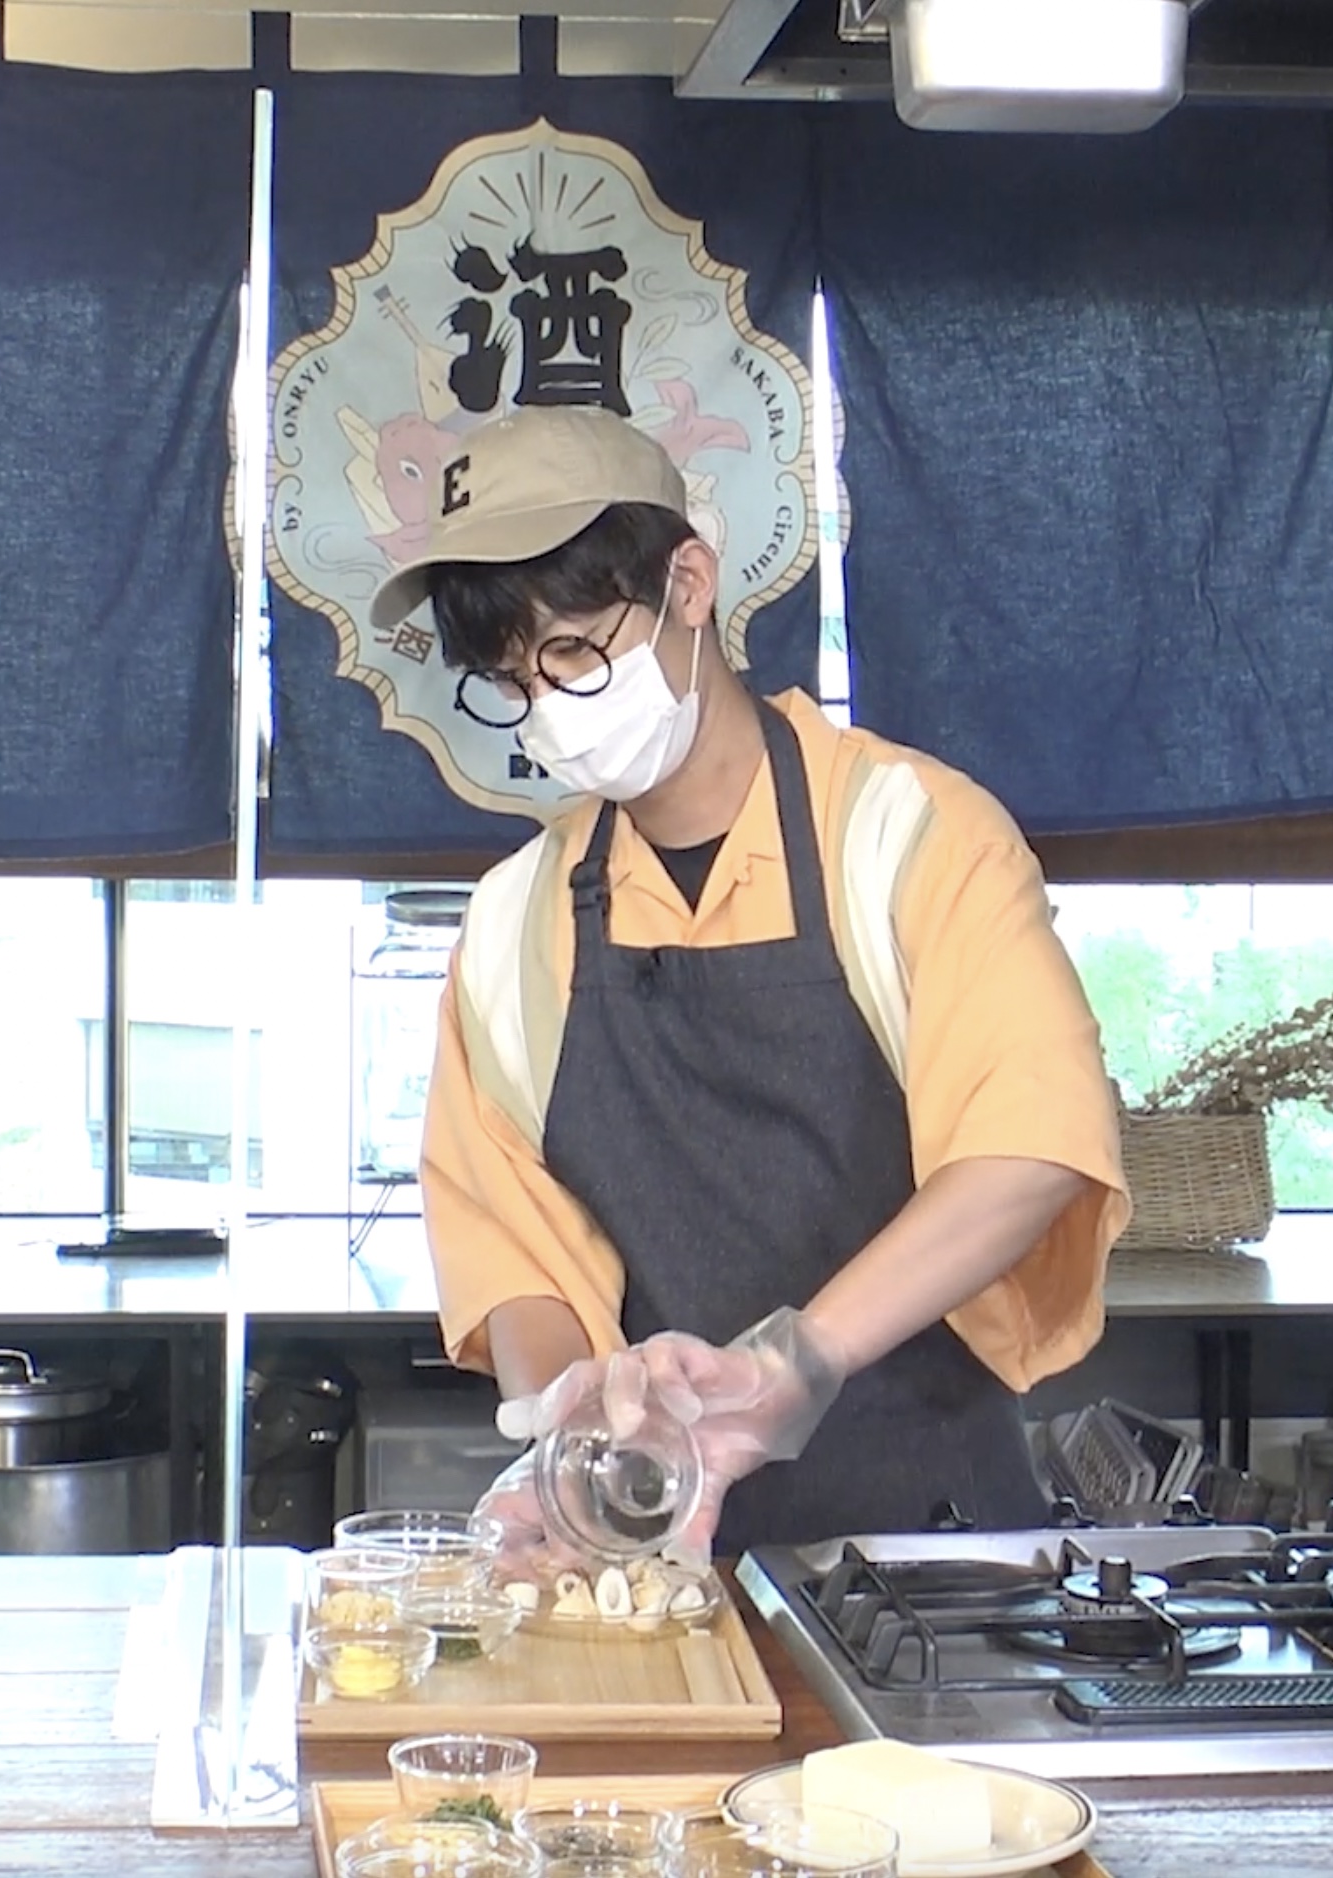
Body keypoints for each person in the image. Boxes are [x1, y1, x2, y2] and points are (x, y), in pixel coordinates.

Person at [384, 406, 1125, 1557]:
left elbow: (1028, 1146)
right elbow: (513, 1248)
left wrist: (796, 1362)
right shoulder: (515, 924)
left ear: (689, 584)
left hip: (932, 1552)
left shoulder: (908, 836)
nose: (547, 708)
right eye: (510, 677)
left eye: (574, 650)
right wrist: (575, 1434)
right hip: (659, 1552)